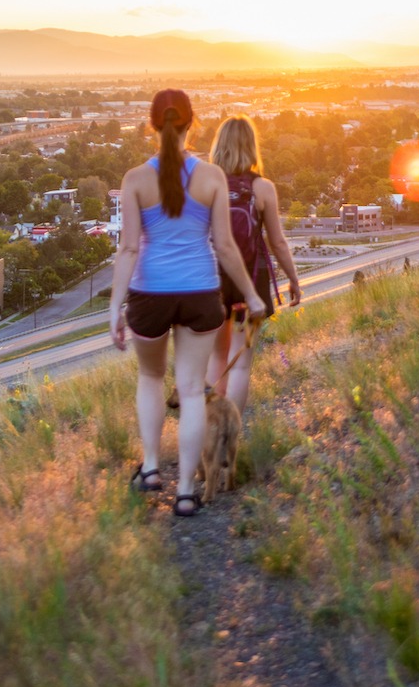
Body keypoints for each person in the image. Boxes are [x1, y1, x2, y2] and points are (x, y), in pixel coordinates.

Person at [109, 89, 267, 517]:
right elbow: (226, 247)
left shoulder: (135, 180)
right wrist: (251, 296)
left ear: (152, 125)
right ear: (192, 124)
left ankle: (153, 469)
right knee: (194, 390)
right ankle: (184, 493)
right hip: (199, 292)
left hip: (149, 294)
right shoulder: (212, 176)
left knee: (150, 377)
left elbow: (127, 251)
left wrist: (114, 309)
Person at [206, 115, 302, 416]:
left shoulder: (205, 184)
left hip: (212, 279)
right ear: (251, 146)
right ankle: (229, 435)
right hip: (253, 280)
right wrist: (293, 279)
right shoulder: (263, 188)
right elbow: (277, 242)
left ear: (219, 145)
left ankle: (210, 428)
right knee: (241, 362)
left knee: (216, 359)